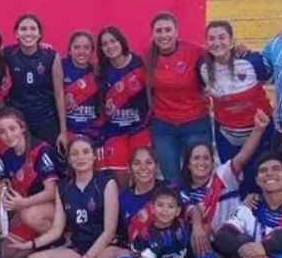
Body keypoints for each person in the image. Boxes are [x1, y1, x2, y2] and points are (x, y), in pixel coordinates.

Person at [181, 110, 271, 258]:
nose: (202, 162)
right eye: (196, 158)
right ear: (187, 164)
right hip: (217, 245)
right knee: (198, 237)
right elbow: (191, 211)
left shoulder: (222, 176)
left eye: (206, 158)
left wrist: (258, 129)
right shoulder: (185, 191)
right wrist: (198, 226)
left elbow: (244, 155)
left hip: (240, 235)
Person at [12, 137, 119, 258]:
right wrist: (31, 244)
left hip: (104, 246)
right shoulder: (63, 187)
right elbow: (56, 230)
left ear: (94, 156)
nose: (80, 157)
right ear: (68, 159)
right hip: (79, 248)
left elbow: (109, 232)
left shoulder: (107, 183)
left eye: (86, 152)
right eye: (74, 153)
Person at [200, 20, 274, 193]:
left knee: (260, 178)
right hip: (227, 135)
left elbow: (272, 75)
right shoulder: (202, 68)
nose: (217, 42)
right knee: (232, 181)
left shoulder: (253, 61)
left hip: (260, 131)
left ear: (231, 40)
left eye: (222, 37)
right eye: (212, 39)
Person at [145, 11, 210, 181]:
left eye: (168, 30)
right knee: (171, 178)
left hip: (195, 122)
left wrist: (240, 49)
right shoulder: (147, 57)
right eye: (159, 31)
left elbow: (220, 56)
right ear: (153, 34)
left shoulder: (193, 51)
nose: (163, 35)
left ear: (176, 32)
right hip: (163, 126)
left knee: (198, 176)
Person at [0, 108, 58, 258]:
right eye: (2, 132)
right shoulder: (3, 155)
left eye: (12, 128)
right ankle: (40, 245)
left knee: (30, 215)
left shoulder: (42, 151)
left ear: (22, 127)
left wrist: (22, 204)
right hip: (23, 211)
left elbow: (52, 192)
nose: (8, 135)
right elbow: (4, 190)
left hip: (49, 210)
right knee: (5, 254)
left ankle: (60, 241)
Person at [96, 26, 151, 185]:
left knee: (141, 173)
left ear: (121, 41)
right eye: (105, 44)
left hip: (139, 129)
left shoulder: (141, 64)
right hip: (114, 132)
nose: (110, 46)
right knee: (120, 179)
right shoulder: (100, 70)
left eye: (113, 41)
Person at [4, 13, 68, 150]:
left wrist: (63, 130)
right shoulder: (7, 53)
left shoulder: (51, 56)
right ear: (16, 33)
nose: (28, 33)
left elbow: (59, 93)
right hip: (19, 121)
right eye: (23, 29)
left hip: (46, 120)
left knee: (49, 161)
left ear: (39, 34)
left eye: (33, 29)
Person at [62, 30, 102, 144]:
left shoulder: (98, 72)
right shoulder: (60, 67)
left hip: (91, 133)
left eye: (86, 47)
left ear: (92, 51)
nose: (81, 52)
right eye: (77, 47)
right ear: (70, 50)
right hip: (68, 131)